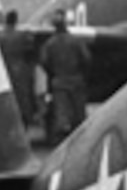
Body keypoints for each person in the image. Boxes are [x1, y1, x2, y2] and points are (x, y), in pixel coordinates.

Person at [38, 8, 92, 144]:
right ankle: (82, 142)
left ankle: (61, 143)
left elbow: (45, 63)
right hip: (76, 81)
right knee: (79, 116)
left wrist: (54, 75)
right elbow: (86, 59)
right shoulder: (76, 41)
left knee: (62, 116)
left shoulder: (50, 45)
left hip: (60, 83)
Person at [0, 9, 41, 130]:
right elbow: (31, 51)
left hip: (4, 71)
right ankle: (24, 123)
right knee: (23, 100)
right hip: (20, 71)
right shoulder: (23, 36)